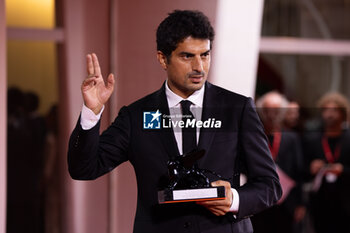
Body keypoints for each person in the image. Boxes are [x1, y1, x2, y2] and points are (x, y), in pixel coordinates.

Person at [68, 10, 282, 233]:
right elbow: (83, 168)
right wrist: (91, 112)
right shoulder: (136, 116)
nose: (199, 66)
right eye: (187, 56)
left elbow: (269, 185)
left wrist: (234, 200)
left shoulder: (237, 110)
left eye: (205, 55)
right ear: (163, 58)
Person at [252, 91, 305, 233]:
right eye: (267, 110)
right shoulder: (254, 136)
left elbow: (298, 171)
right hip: (259, 200)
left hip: (286, 202)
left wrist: (300, 204)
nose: (271, 114)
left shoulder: (291, 138)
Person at [304, 92, 350, 233]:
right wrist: (311, 168)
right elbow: (301, 169)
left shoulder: (348, 138)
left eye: (334, 110)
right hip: (320, 202)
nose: (329, 114)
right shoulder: (312, 139)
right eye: (326, 110)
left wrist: (343, 170)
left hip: (345, 200)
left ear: (343, 114)